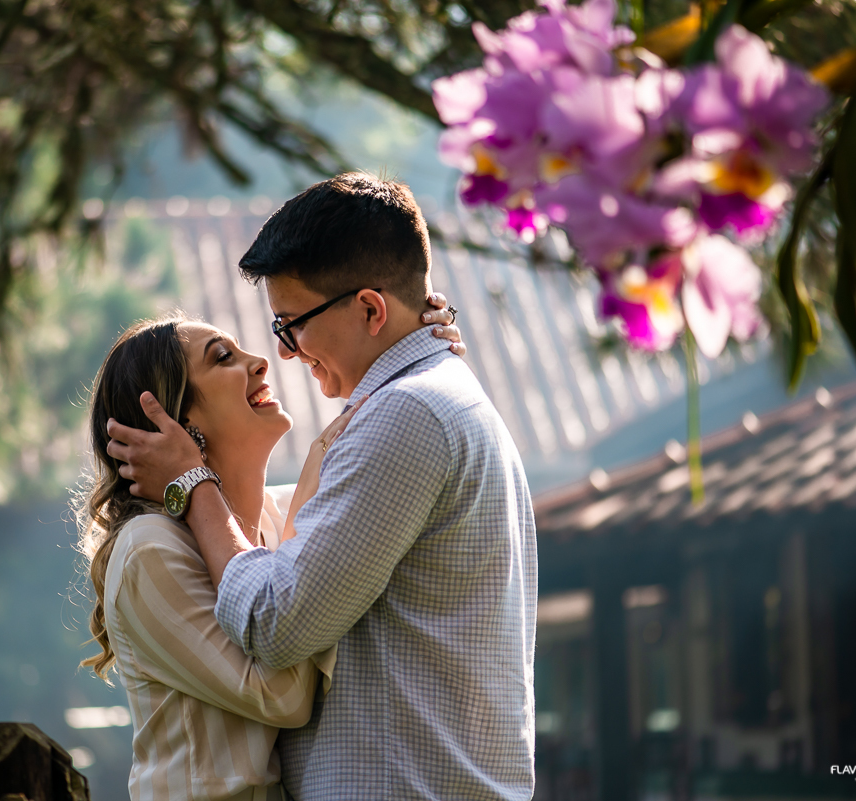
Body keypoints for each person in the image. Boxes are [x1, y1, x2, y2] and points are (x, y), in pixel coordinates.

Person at [106, 173, 537, 801]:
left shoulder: (405, 414)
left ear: (370, 310)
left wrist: (193, 487)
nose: (280, 354)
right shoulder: (427, 402)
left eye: (291, 324)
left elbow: (274, 625)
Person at [77, 302, 463, 800]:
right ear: (176, 422)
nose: (260, 361)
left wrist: (413, 333)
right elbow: (282, 696)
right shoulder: (148, 550)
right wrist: (309, 479)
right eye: (223, 357)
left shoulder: (277, 515)